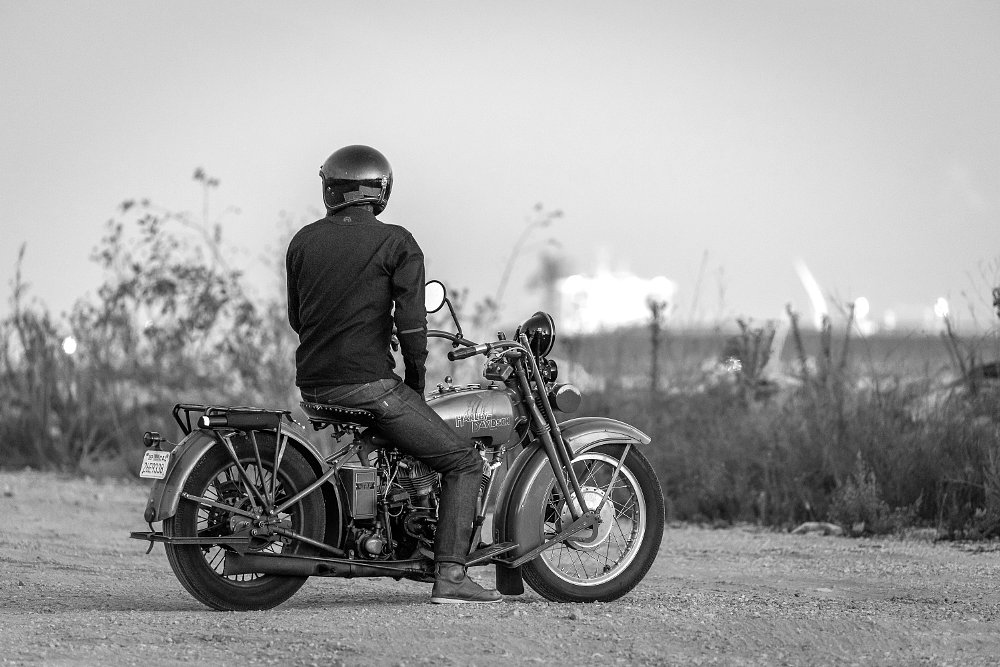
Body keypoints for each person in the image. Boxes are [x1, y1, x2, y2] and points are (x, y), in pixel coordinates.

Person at [285, 144, 502, 604]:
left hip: (313, 385)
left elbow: (297, 319)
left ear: (330, 189)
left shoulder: (303, 241)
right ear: (380, 191)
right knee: (464, 461)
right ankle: (450, 575)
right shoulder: (396, 242)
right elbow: (411, 326)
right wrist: (416, 381)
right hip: (369, 385)